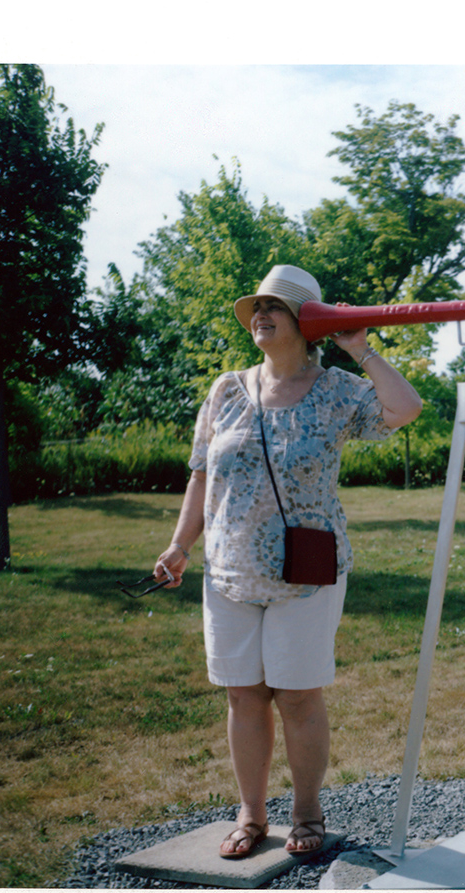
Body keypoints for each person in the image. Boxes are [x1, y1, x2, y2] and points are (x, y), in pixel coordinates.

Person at [152, 265, 423, 858]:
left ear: (307, 323)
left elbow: (406, 409)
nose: (260, 315)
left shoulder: (337, 390)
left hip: (306, 572)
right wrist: (180, 545)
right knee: (243, 694)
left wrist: (361, 348)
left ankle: (306, 811)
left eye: (276, 307)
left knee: (297, 694)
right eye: (257, 307)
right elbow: (202, 474)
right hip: (228, 570)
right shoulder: (226, 390)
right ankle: (251, 815)